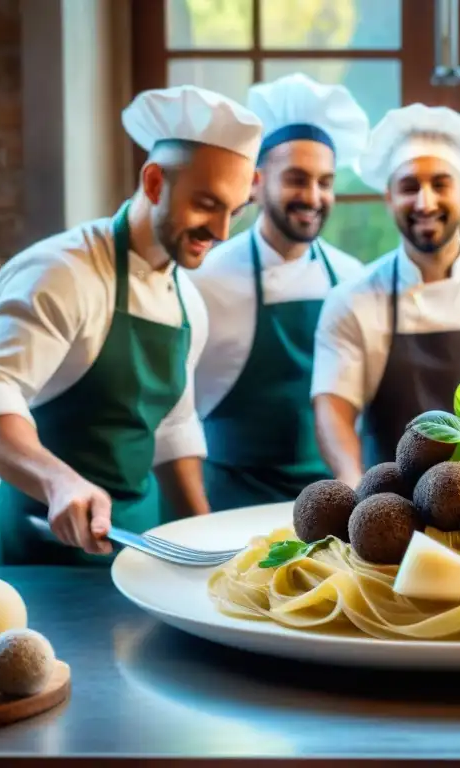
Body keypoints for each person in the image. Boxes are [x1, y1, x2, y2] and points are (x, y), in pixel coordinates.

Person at [0, 85, 264, 565]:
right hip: (41, 547)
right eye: (206, 204)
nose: (222, 232)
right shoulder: (61, 272)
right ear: (156, 183)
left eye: (235, 212)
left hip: (138, 549)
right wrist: (59, 481)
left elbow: (172, 432)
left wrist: (209, 552)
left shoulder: (187, 303)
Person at [311, 103, 460, 487]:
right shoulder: (352, 301)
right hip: (386, 508)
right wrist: (352, 481)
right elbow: (333, 407)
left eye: (440, 184)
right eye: (409, 187)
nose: (425, 202)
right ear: (389, 197)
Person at [191, 74, 370, 509]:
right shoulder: (206, 278)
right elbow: (175, 416)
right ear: (255, 181)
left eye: (325, 182)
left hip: (331, 501)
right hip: (228, 502)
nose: (313, 196)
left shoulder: (352, 278)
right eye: (296, 178)